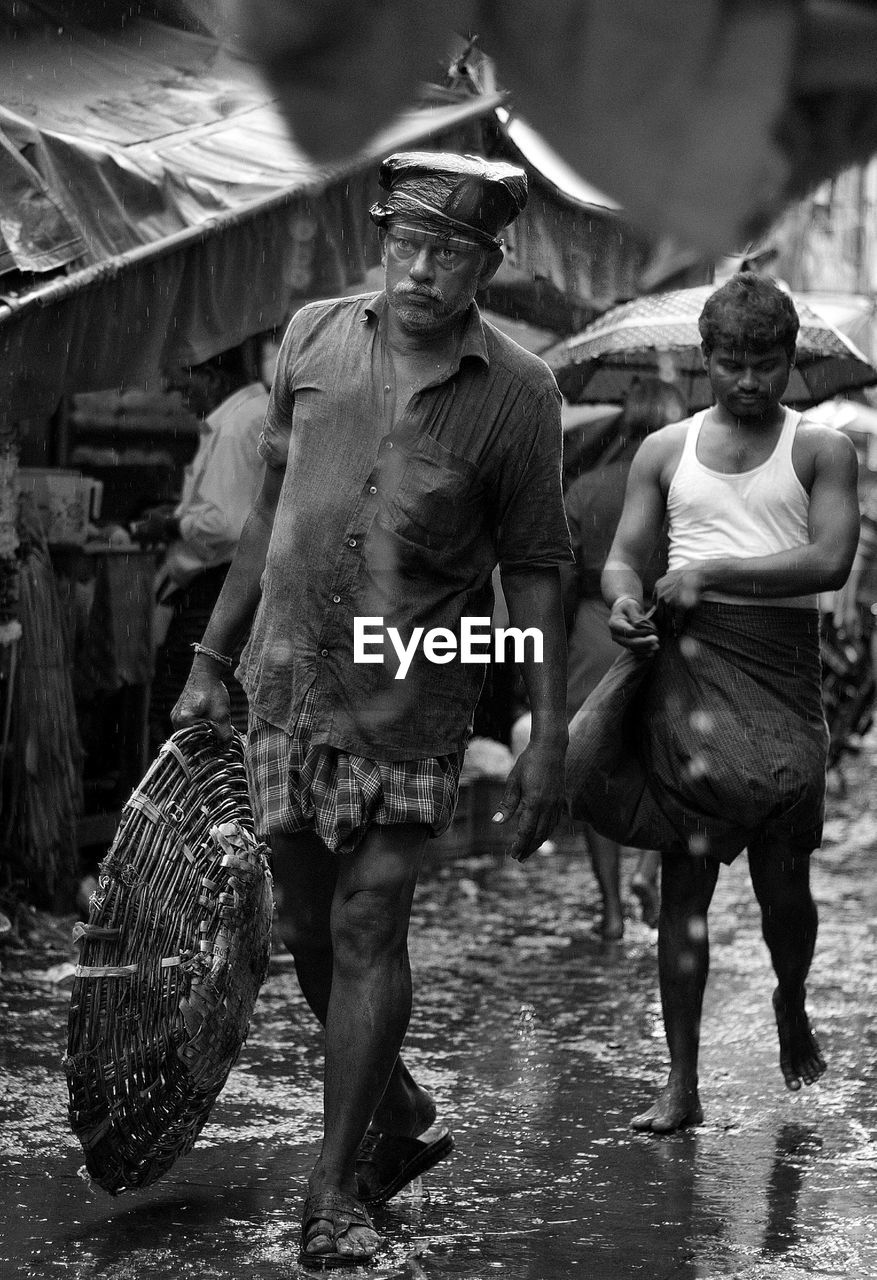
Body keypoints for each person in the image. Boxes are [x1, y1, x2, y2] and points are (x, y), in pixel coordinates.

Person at [170, 151, 571, 1268]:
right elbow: (267, 517)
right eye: (408, 244)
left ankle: (328, 1185)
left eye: (452, 252)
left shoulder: (520, 393)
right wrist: (211, 654)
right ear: (382, 240)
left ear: (489, 264)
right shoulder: (310, 338)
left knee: (365, 923)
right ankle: (397, 1113)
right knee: (302, 928)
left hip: (414, 695)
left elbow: (538, 568)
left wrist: (548, 735)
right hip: (284, 680)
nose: (424, 269)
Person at [566, 273, 859, 1133]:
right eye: (729, 362)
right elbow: (624, 557)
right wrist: (623, 599)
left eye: (762, 363)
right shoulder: (664, 449)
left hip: (779, 681)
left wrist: (714, 572)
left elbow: (829, 561)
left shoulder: (821, 449)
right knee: (684, 887)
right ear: (704, 359)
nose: (745, 380)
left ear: (788, 359)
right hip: (687, 679)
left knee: (782, 891)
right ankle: (681, 1081)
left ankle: (790, 996)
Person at [563, 378, 685, 938]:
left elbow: (560, 574)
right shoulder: (685, 487)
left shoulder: (586, 486)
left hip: (596, 629)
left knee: (595, 767)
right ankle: (648, 869)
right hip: (671, 627)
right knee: (668, 759)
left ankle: (610, 910)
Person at [133, 335, 279, 743]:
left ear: (212, 379)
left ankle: (205, 801)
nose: (176, 394)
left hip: (223, 584)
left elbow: (228, 524)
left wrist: (173, 525)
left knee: (195, 717)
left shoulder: (237, 426)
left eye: (184, 383)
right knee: (207, 709)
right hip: (226, 583)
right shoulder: (244, 417)